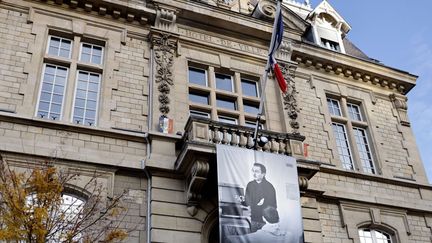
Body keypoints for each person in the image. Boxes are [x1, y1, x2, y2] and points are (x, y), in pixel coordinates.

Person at [226, 206, 293, 243]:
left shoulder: (257, 236)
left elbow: (232, 240)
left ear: (264, 218)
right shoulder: (290, 235)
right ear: (278, 218)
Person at [244, 163, 277, 232]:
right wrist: (242, 200)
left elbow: (273, 207)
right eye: (253, 171)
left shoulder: (270, 187)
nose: (254, 174)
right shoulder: (250, 185)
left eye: (257, 171)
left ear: (263, 174)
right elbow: (247, 202)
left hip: (265, 222)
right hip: (252, 220)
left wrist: (264, 203)